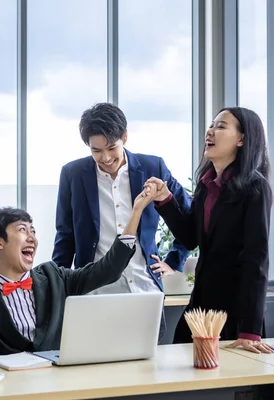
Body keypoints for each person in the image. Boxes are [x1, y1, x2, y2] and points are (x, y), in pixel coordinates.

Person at [0, 183, 159, 356]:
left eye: (33, 231)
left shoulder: (55, 276)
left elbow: (108, 270)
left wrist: (136, 211)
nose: (32, 238)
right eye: (22, 230)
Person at [51, 102, 191, 343]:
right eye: (96, 150)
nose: (105, 158)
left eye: (111, 148)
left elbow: (189, 215)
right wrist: (54, 289)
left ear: (124, 137)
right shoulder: (72, 174)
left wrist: (174, 261)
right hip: (94, 295)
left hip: (145, 292)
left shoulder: (152, 167)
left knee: (149, 373)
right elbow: (65, 237)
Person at [145, 106, 274, 354]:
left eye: (221, 126)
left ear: (241, 139)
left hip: (235, 312)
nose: (210, 131)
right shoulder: (206, 185)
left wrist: (250, 330)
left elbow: (256, 259)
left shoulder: (255, 188)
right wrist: (165, 200)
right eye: (211, 125)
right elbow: (190, 238)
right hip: (201, 306)